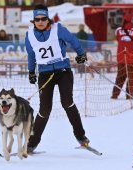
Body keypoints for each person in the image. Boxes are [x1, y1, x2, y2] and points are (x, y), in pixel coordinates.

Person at [25, 4, 89, 153]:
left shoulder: (58, 29)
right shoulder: (29, 35)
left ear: (48, 19)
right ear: (33, 21)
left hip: (63, 71)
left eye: (43, 19)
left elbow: (73, 40)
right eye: (37, 19)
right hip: (45, 74)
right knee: (45, 109)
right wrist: (31, 72)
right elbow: (31, 55)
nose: (40, 21)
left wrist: (81, 54)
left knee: (67, 102)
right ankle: (31, 143)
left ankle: (81, 136)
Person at [111, 15, 133, 100]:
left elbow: (118, 39)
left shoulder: (118, 30)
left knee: (120, 77)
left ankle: (115, 95)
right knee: (132, 78)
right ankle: (129, 95)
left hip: (121, 57)